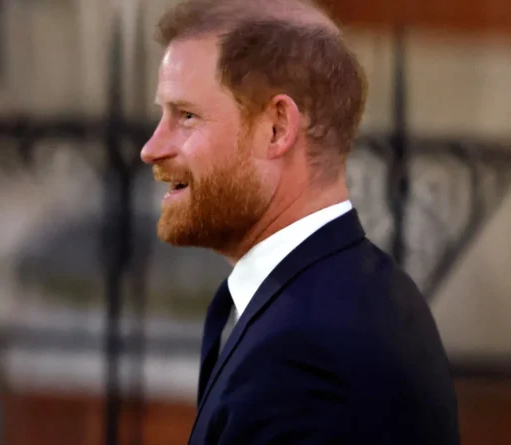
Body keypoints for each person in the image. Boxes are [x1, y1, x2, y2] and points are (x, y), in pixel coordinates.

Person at [140, 0, 460, 443]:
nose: (152, 149)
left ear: (277, 128)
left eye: (187, 116)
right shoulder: (375, 293)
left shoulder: (302, 348)